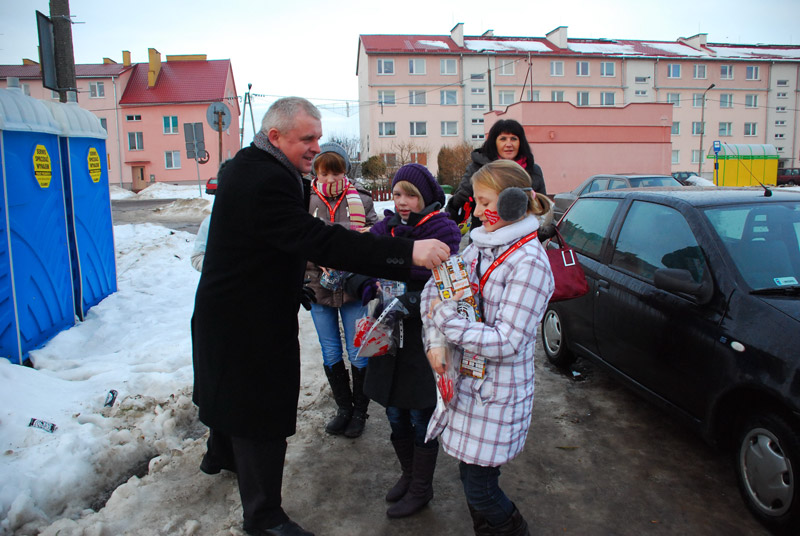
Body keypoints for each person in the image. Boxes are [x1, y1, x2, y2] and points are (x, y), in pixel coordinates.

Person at [191, 97, 451, 536]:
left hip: (229, 316)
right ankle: (265, 518)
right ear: (275, 136)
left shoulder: (248, 166)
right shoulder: (267, 179)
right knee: (260, 413)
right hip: (249, 323)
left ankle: (222, 454)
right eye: (306, 138)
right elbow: (321, 240)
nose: (316, 146)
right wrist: (407, 251)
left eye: (318, 135)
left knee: (230, 394)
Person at [422, 159, 555, 535]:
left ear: (514, 203)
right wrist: (436, 340)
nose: (477, 212)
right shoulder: (480, 246)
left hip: (495, 393)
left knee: (481, 489)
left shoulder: (529, 263)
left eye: (484, 202)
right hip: (468, 386)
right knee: (470, 478)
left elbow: (508, 340)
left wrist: (445, 320)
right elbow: (437, 289)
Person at [348, 163, 461, 519]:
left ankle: (421, 488)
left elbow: (452, 287)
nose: (403, 202)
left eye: (410, 194)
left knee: (419, 413)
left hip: (423, 339)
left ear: (426, 197)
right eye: (397, 194)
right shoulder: (385, 229)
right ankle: (409, 476)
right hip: (386, 334)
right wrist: (371, 288)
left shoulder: (445, 231)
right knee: (394, 412)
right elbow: (358, 265)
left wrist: (410, 301)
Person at [305, 142, 377, 438]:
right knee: (330, 349)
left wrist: (363, 236)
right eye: (326, 173)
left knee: (358, 350)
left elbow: (375, 233)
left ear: (345, 172)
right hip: (318, 284)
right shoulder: (305, 200)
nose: (332, 180)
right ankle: (343, 409)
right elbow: (296, 237)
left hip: (352, 284)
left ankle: (360, 411)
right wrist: (316, 258)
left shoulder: (361, 199)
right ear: (317, 174)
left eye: (337, 173)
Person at [446, 119, 546, 235]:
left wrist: (542, 232)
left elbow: (541, 209)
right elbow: (457, 209)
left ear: (521, 142)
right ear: (494, 142)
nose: (509, 144)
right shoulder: (477, 169)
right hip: (486, 238)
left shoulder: (533, 170)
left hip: (523, 237)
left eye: (514, 138)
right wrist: (459, 201)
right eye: (503, 139)